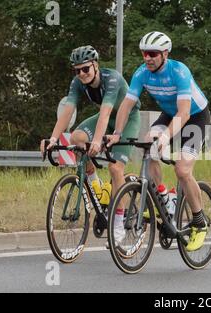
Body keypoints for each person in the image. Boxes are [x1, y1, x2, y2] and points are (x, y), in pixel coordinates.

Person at [108, 31, 211, 252]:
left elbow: (184, 113)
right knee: (149, 145)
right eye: (144, 53)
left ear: (165, 53)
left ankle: (199, 221)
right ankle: (165, 197)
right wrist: (117, 132)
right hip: (169, 114)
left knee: (183, 171)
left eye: (153, 54)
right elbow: (126, 105)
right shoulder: (142, 73)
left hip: (195, 117)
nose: (147, 58)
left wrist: (166, 136)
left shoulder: (179, 71)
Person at [40, 45, 141, 242]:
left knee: (115, 169)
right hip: (106, 118)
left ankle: (119, 221)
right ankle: (97, 187)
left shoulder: (112, 79)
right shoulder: (77, 83)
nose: (82, 74)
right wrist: (52, 139)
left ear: (95, 65)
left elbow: (105, 113)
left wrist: (96, 141)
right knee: (76, 139)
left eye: (85, 69)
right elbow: (67, 111)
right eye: (77, 70)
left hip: (126, 120)